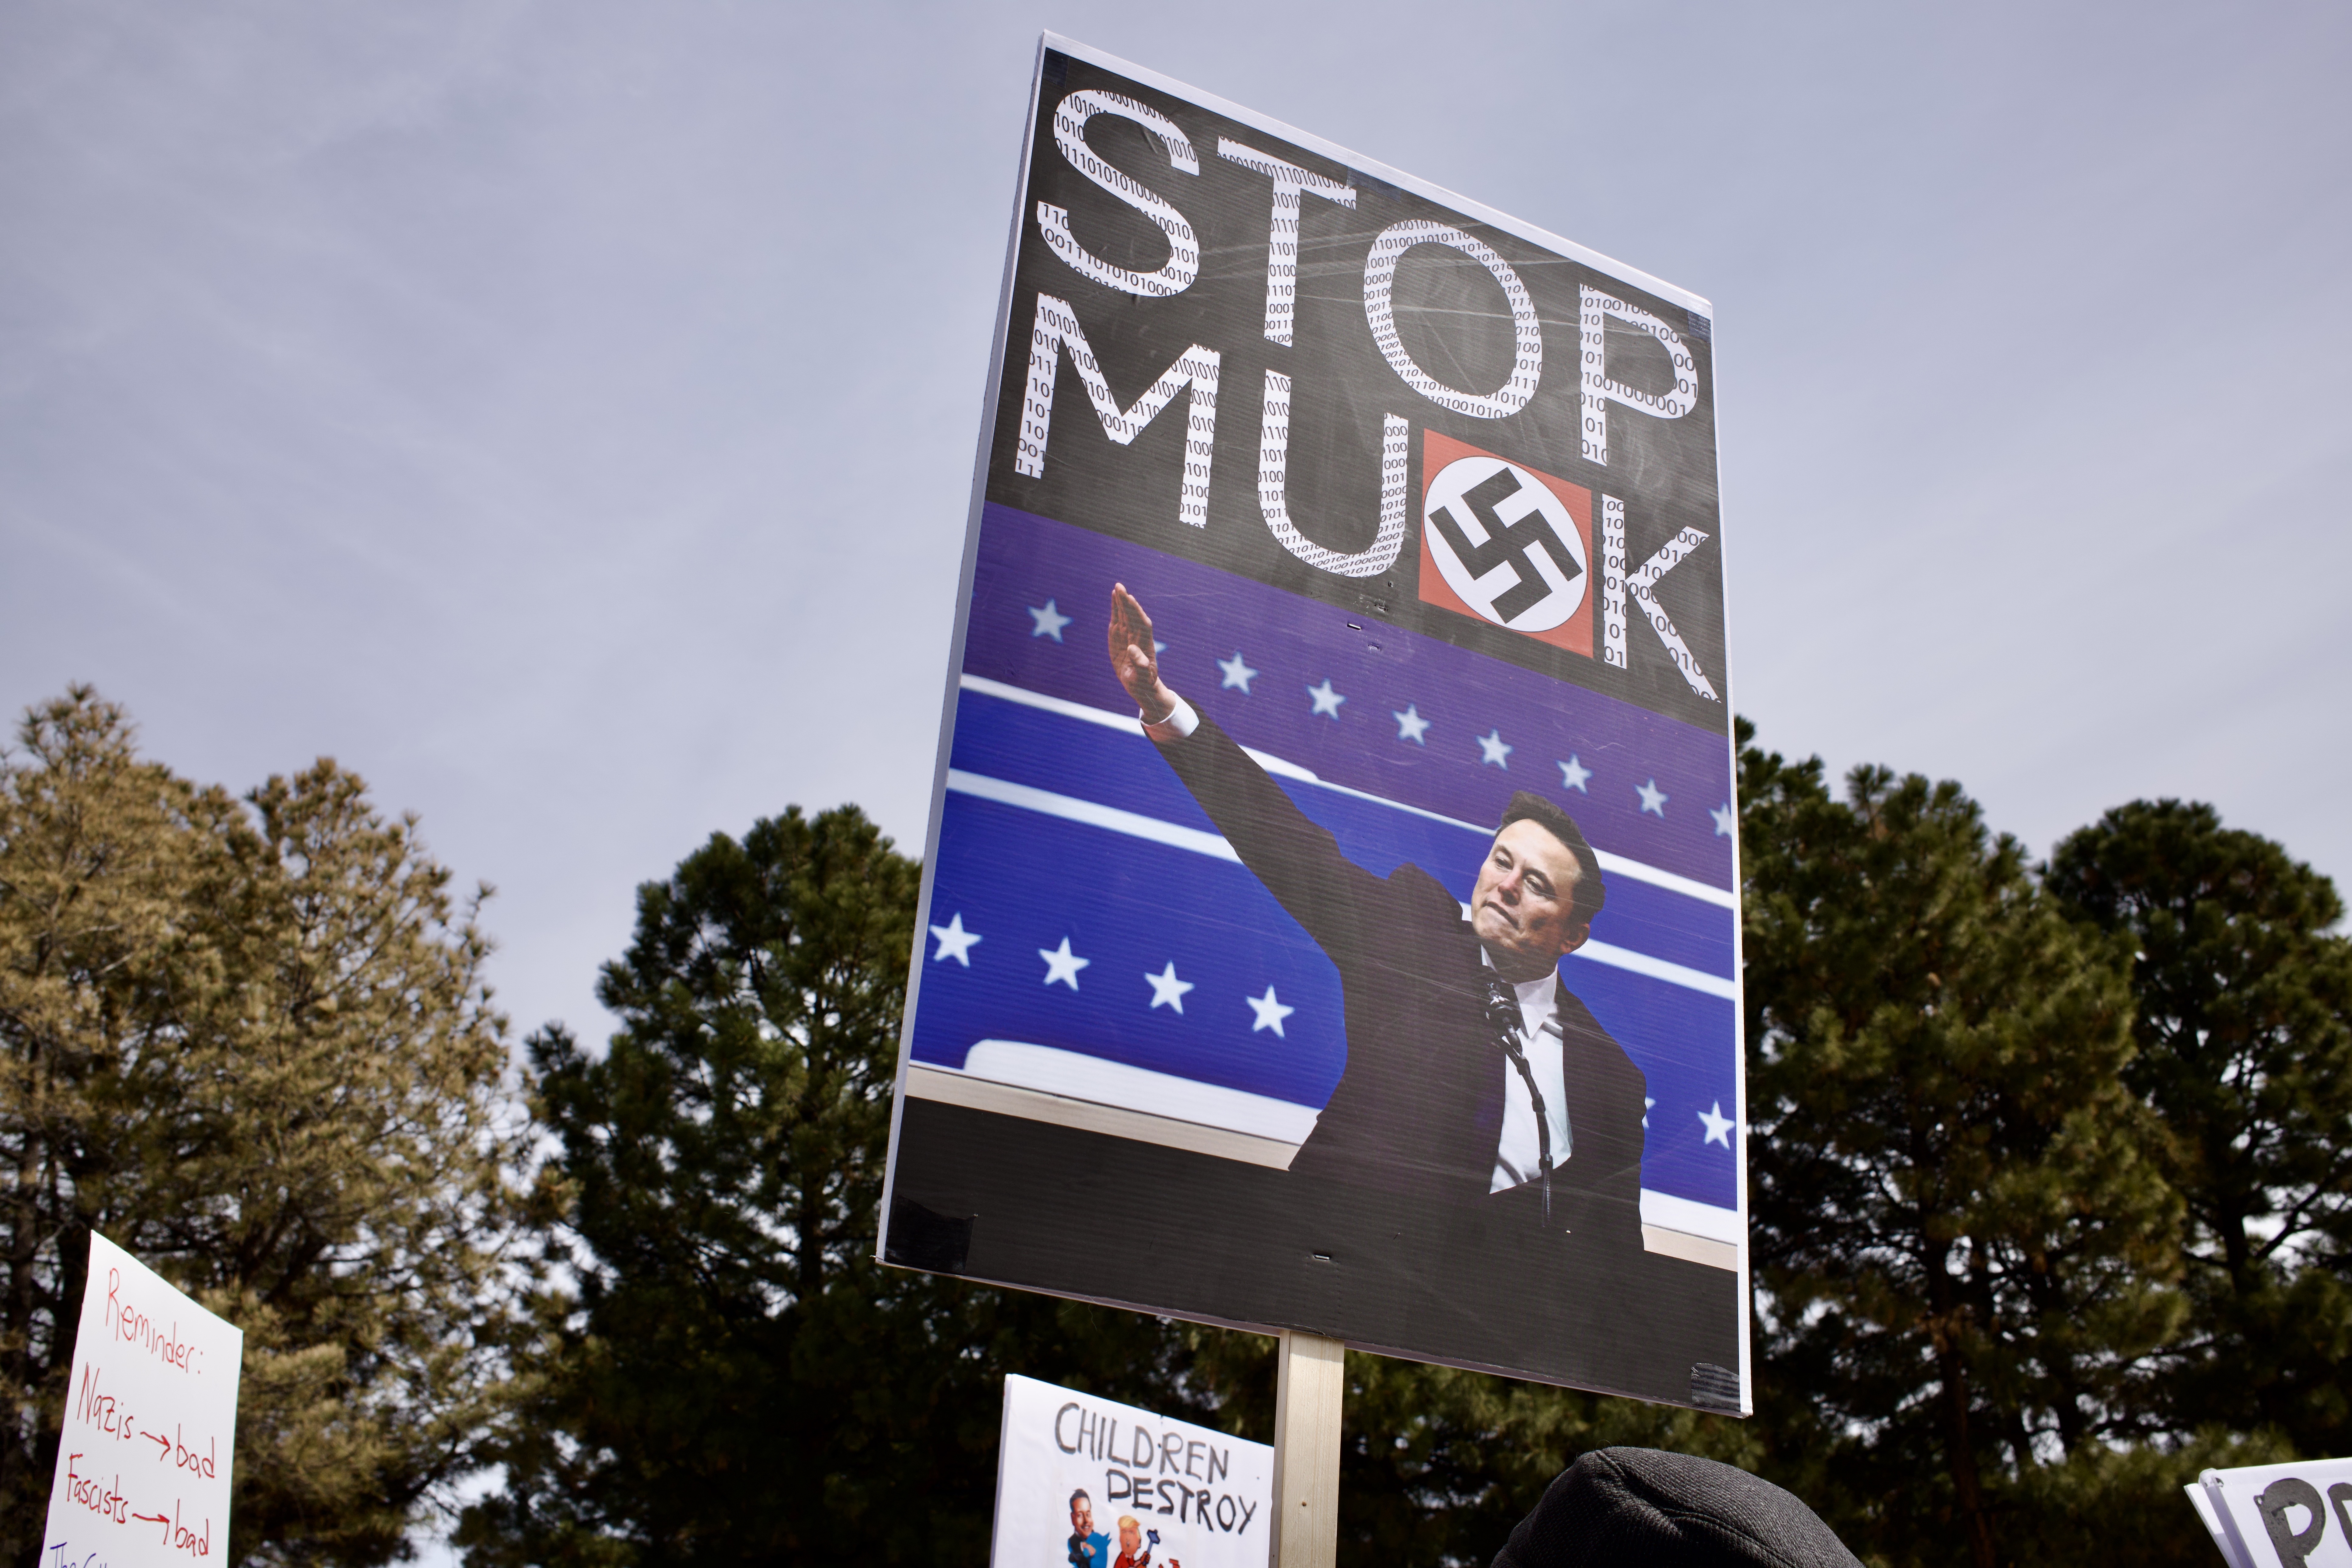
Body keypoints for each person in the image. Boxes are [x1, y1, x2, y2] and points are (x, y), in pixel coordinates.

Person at [1105, 584, 1649, 1258]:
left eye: (1535, 883)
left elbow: (1611, 1254)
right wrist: (1163, 707)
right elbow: (1291, 847)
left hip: (1466, 1337)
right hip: (1322, 1266)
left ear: (1573, 934)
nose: (1506, 885)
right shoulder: (1410, 935)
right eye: (1500, 861)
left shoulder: (1613, 1077)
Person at [1067, 1490, 1110, 1568]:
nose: (1086, 1521)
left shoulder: (1097, 1539)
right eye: (1080, 1515)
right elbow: (1072, 1557)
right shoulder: (1073, 1542)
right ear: (1073, 1518)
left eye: (1088, 1514)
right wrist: (1083, 1546)